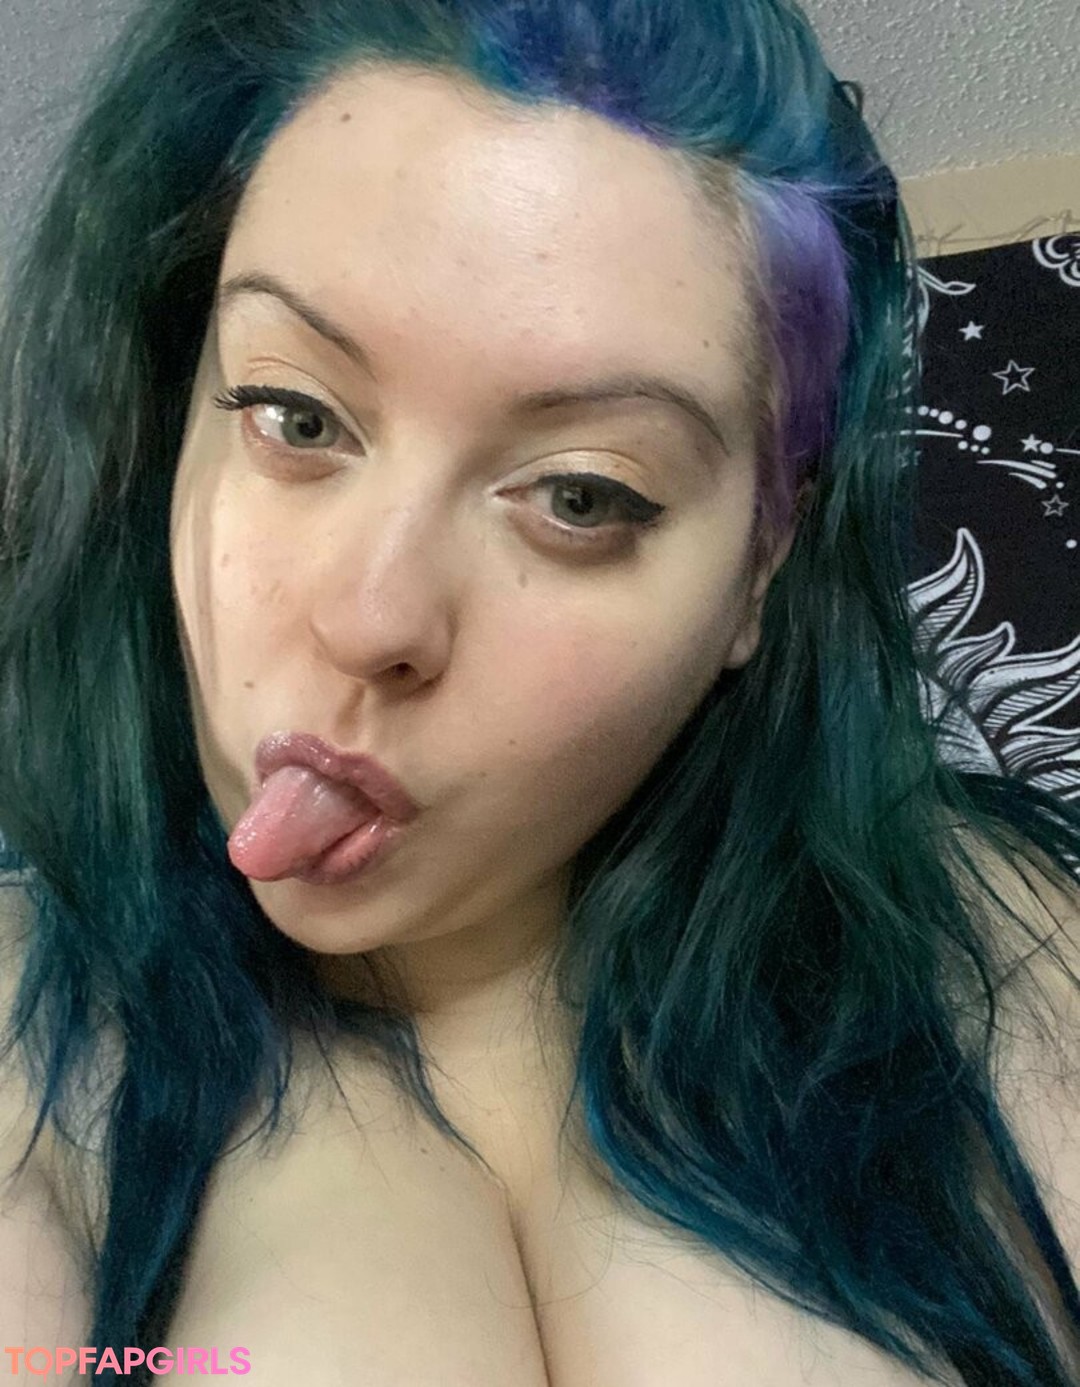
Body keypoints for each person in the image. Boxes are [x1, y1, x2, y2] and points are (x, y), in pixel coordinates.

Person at [0, 1, 1078, 1384]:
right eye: (295, 415)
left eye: (580, 496)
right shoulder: (30, 1030)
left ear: (762, 562)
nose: (374, 617)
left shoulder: (994, 956)